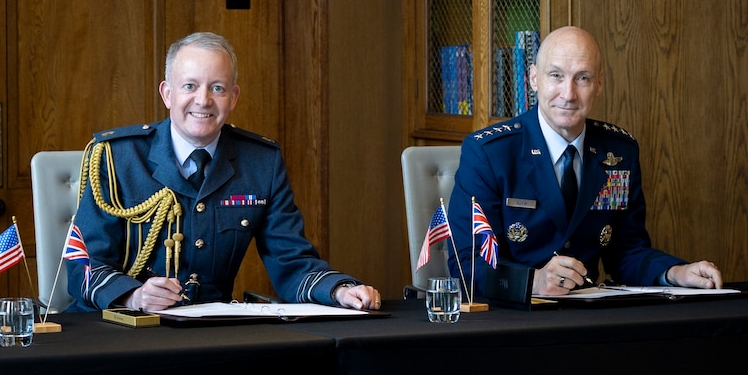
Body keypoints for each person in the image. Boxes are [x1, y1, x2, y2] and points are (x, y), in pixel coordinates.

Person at [67, 32, 381, 312]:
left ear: (233, 97)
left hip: (213, 336)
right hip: (120, 330)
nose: (203, 100)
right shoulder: (115, 158)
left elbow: (291, 259)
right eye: (189, 86)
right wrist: (133, 296)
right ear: (167, 93)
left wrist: (338, 290)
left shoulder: (261, 162)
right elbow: (84, 266)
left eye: (217, 88)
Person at [447, 26, 722, 296]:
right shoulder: (489, 153)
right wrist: (533, 282)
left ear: (599, 83)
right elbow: (467, 264)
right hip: (515, 319)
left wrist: (674, 272)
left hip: (589, 319)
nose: (568, 94)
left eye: (582, 79)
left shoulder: (617, 154)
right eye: (556, 75)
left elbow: (625, 251)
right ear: (533, 78)